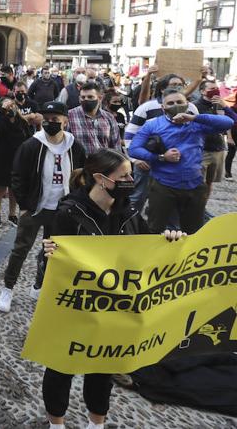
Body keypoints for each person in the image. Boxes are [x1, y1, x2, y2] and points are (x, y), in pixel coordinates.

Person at [41, 149, 186, 429]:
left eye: (131, 174)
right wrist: (49, 254)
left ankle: (97, 423)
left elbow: (147, 249)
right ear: (101, 179)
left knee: (103, 369)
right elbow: (51, 267)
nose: (131, 179)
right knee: (61, 368)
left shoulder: (128, 210)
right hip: (75, 310)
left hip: (113, 308)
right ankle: (56, 423)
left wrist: (170, 241)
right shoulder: (69, 213)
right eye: (125, 175)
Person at [0, 101, 86, 313]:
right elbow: (17, 176)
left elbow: (82, 175)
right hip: (36, 207)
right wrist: (25, 205)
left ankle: (39, 285)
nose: (50, 123)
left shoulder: (75, 147)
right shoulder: (31, 145)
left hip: (63, 208)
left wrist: (76, 201)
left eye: (55, 119)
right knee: (20, 249)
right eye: (47, 119)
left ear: (65, 120)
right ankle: (8, 288)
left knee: (51, 251)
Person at [127, 89, 233, 233]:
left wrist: (194, 118)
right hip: (163, 185)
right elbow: (133, 149)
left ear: (187, 104)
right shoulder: (153, 125)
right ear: (163, 107)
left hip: (194, 185)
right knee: (154, 230)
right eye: (170, 103)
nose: (175, 105)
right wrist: (162, 157)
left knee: (193, 231)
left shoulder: (196, 123)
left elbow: (228, 122)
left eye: (179, 102)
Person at [0, 96, 35, 227]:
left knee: (14, 189)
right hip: (2, 159)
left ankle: (12, 214)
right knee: (0, 188)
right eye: (8, 107)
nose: (11, 108)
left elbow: (29, 137)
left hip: (18, 159)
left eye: (12, 106)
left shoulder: (21, 121)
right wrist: (3, 112)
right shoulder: (0, 120)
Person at [65, 82, 122, 155]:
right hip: (80, 164)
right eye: (83, 97)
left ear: (100, 98)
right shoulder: (69, 116)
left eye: (90, 97)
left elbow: (116, 146)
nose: (86, 99)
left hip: (103, 163)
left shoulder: (109, 118)